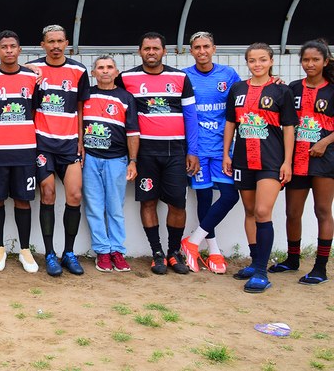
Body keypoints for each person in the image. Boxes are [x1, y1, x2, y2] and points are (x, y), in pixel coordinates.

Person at [117, 32, 200, 275]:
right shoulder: (127, 78)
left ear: (165, 51)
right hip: (145, 153)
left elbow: (191, 116)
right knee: (148, 201)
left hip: (175, 151)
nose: (151, 52)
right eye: (146, 49)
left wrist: (192, 151)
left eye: (155, 48)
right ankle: (157, 253)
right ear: (139, 51)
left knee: (177, 203)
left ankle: (174, 252)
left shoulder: (180, 77)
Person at [223, 42, 296, 293]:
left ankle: (263, 272)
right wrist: (227, 154)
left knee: (264, 212)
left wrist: (287, 161)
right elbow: (231, 123)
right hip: (243, 160)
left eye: (262, 60)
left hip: (271, 162)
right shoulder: (237, 89)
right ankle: (255, 263)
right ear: (247, 63)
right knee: (251, 211)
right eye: (253, 60)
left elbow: (289, 128)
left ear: (271, 61)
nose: (258, 65)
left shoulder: (281, 91)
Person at [28, 24, 90, 277]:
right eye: (50, 42)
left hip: (68, 143)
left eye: (59, 41)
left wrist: (80, 139)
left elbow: (80, 107)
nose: (55, 46)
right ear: (43, 44)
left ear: (67, 43)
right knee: (48, 194)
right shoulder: (32, 69)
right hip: (42, 142)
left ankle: (69, 252)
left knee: (74, 195)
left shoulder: (78, 70)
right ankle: (50, 254)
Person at [270, 40, 334, 285]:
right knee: (292, 212)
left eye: (315, 60)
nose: (310, 64)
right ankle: (292, 260)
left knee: (322, 211)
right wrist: (273, 83)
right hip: (296, 160)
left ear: (325, 62)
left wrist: (325, 142)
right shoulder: (293, 88)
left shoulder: (332, 89)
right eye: (306, 60)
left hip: (324, 160)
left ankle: (320, 267)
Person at [180, 31, 243, 274]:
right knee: (204, 199)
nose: (202, 51)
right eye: (197, 47)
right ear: (191, 50)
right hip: (197, 150)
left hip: (223, 149)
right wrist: (190, 150)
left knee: (229, 196)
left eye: (206, 46)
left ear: (214, 48)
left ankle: (192, 242)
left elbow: (245, 97)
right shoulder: (185, 76)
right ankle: (214, 251)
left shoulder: (228, 75)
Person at [0, 30, 39, 273]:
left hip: (25, 149)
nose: (9, 51)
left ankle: (25, 250)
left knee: (23, 199)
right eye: (4, 47)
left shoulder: (32, 78)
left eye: (13, 46)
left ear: (19, 49)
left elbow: (34, 110)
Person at [82, 55, 139, 273]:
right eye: (100, 68)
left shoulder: (126, 97)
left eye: (109, 67)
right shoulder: (86, 95)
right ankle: (102, 251)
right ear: (93, 73)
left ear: (116, 72)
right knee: (95, 208)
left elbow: (133, 133)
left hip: (117, 160)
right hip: (90, 159)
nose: (105, 71)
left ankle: (117, 250)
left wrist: (133, 161)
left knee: (115, 208)